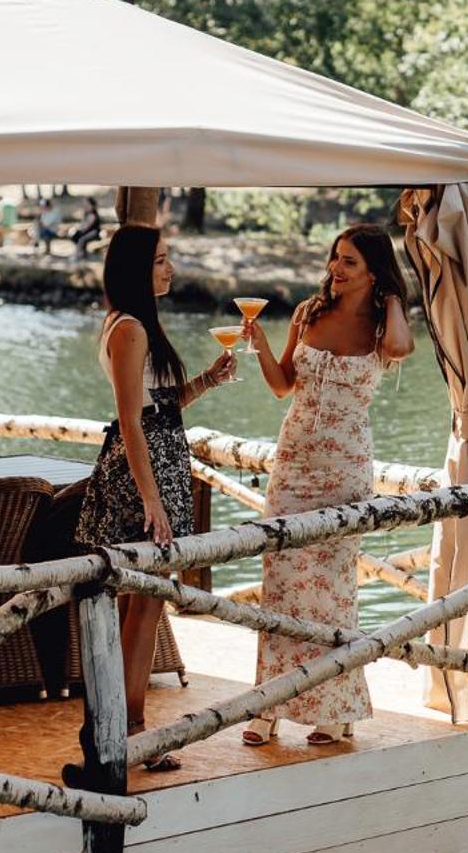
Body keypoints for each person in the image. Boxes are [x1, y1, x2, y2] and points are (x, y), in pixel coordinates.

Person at [68, 225, 236, 778]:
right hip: (141, 477)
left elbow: (161, 408)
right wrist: (153, 501)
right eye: (162, 260)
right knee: (141, 608)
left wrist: (208, 380)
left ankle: (116, 727)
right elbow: (132, 424)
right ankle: (129, 732)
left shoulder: (138, 326)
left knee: (140, 608)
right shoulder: (130, 329)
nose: (170, 269)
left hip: (156, 468)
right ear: (138, 268)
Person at [240, 224, 414, 746]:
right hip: (293, 462)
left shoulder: (385, 327)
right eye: (336, 258)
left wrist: (390, 299)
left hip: (345, 467)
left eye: (351, 263)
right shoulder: (308, 313)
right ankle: (267, 706)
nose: (336, 269)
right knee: (282, 583)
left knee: (333, 591)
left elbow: (403, 348)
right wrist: (261, 345)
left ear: (375, 273)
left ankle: (335, 711)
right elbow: (280, 386)